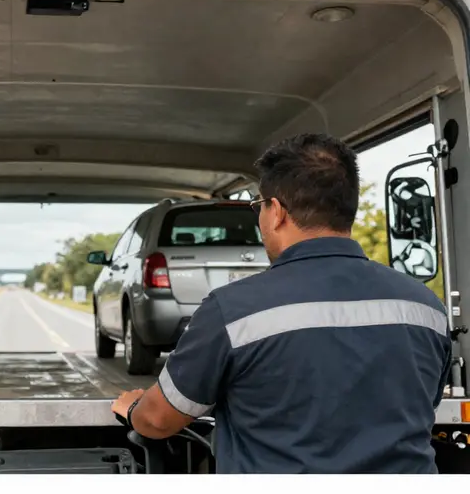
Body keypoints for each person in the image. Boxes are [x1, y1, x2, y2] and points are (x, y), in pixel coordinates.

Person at [112, 133, 452, 473]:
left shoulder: (232, 311)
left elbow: (157, 420)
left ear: (275, 212)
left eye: (258, 206)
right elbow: (423, 405)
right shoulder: (426, 307)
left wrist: (133, 410)